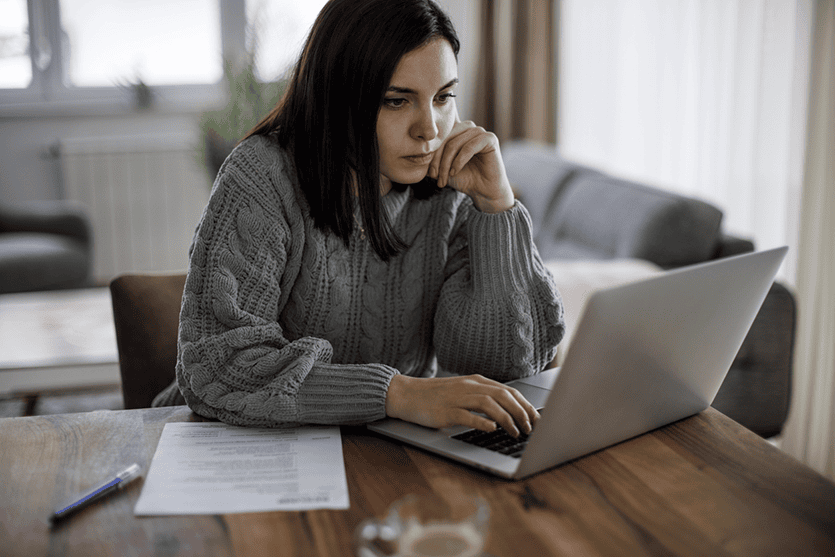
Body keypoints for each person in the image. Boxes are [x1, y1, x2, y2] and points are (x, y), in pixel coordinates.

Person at [152, 0, 565, 439]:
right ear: (337, 99)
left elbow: (506, 367)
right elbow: (218, 369)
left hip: (384, 447)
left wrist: (496, 207)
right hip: (230, 442)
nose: (429, 129)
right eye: (396, 101)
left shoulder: (451, 190)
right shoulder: (262, 176)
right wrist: (398, 394)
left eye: (444, 97)